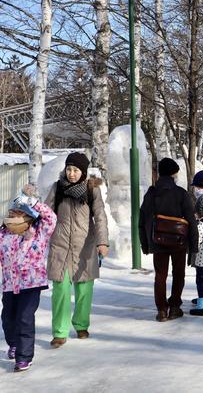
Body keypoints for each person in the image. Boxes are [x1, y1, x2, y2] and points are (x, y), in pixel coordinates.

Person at [45, 152, 109, 347]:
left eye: (76, 170)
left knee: (84, 290)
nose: (71, 173)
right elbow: (45, 213)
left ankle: (81, 325)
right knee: (60, 290)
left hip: (84, 246)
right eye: (69, 169)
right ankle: (59, 332)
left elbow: (100, 217)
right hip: (60, 246)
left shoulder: (92, 190)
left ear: (83, 171)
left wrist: (103, 242)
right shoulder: (57, 189)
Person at [0, 184, 57, 372]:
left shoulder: (38, 233)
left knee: (24, 318)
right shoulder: (3, 234)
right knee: (8, 318)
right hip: (10, 285)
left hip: (31, 284)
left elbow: (51, 218)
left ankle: (24, 357)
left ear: (27, 216)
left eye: (18, 212)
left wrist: (33, 202)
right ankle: (14, 344)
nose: (13, 216)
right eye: (11, 212)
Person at [139, 158, 198, 322]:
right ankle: (174, 307)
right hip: (179, 242)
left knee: (160, 276)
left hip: (158, 242)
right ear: (173, 174)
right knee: (178, 274)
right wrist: (193, 246)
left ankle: (162, 310)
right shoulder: (181, 193)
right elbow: (191, 221)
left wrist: (145, 244)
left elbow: (142, 221)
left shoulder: (151, 193)